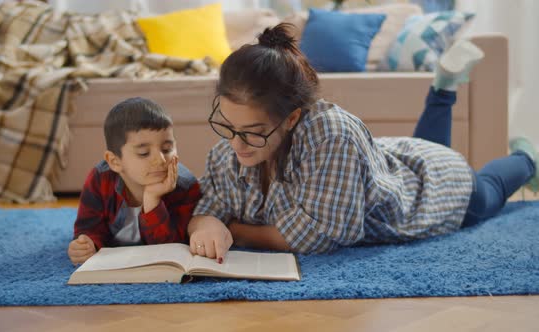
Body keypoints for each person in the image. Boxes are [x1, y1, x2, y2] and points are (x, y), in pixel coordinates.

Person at [187, 23, 539, 261]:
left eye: (251, 131)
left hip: (439, 191)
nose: (236, 143)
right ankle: (443, 87)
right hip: (400, 161)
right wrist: (206, 222)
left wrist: (235, 230)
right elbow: (211, 202)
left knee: (488, 189)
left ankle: (528, 156)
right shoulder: (235, 144)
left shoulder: (334, 135)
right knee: (431, 149)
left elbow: (318, 237)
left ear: (291, 118)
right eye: (228, 126)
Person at [68, 97, 202, 264]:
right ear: (115, 161)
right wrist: (87, 244)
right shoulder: (100, 179)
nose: (160, 160)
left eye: (167, 149)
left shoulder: (186, 186)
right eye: (144, 153)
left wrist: (152, 199)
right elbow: (88, 227)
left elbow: (169, 247)